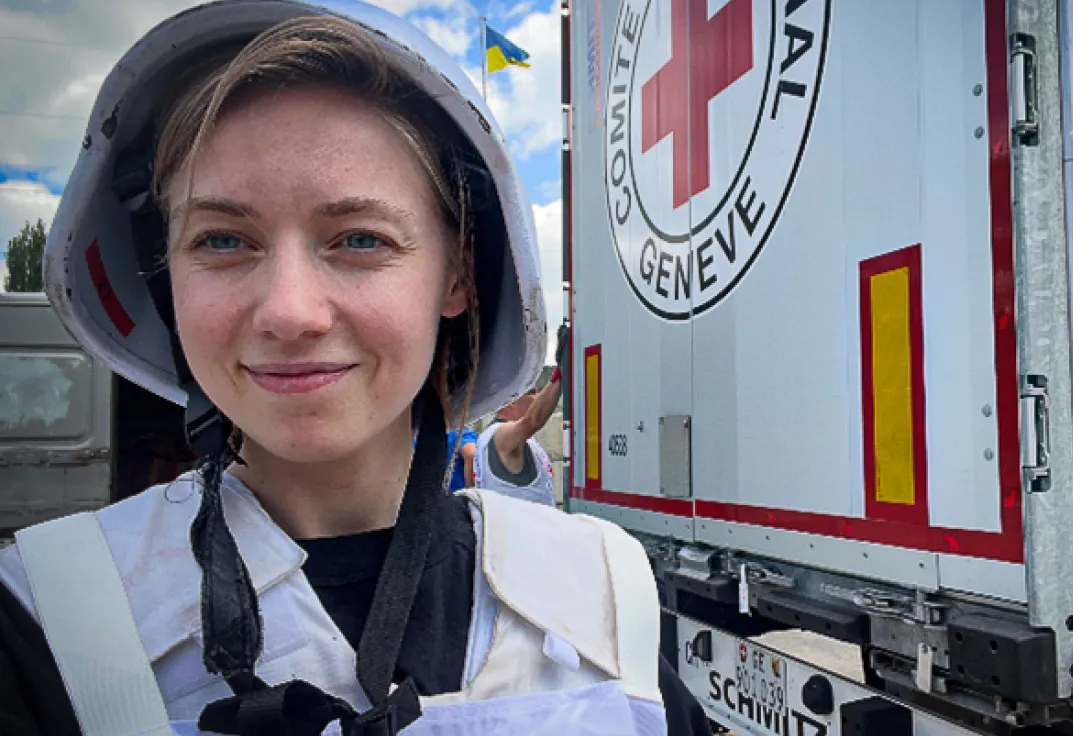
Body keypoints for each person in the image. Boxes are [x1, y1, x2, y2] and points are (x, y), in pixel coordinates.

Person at [0, 3, 712, 735]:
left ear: (456, 274)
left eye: (360, 239)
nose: (290, 311)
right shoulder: (42, 623)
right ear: (165, 281)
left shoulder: (604, 596)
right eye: (222, 240)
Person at [473, 367, 562, 507]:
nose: (537, 397)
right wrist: (560, 374)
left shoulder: (522, 440)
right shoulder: (499, 435)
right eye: (531, 392)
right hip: (517, 527)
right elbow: (533, 421)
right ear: (509, 403)